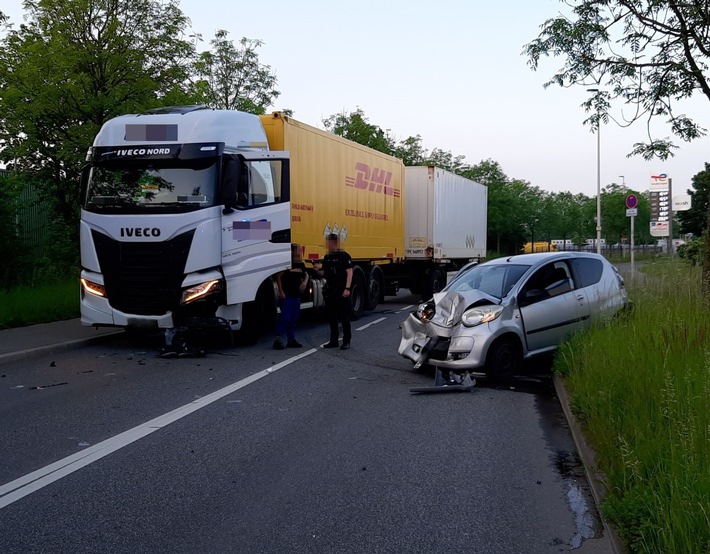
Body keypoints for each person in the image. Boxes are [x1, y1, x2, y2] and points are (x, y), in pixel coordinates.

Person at [315, 233, 353, 350]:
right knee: (331, 316)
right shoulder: (327, 257)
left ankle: (346, 341)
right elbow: (324, 274)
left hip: (341, 290)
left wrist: (347, 288)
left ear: (334, 243)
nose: (327, 245)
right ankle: (334, 340)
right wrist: (317, 270)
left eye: (329, 242)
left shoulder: (344, 256)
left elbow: (349, 272)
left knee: (344, 317)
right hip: (331, 290)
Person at [273, 244, 309, 350]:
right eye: (297, 250)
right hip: (287, 295)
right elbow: (278, 277)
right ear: (292, 251)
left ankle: (291, 340)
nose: (299, 252)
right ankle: (277, 339)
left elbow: (306, 275)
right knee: (285, 318)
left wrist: (305, 283)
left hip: (296, 296)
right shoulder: (287, 263)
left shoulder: (300, 264)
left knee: (294, 319)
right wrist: (281, 291)